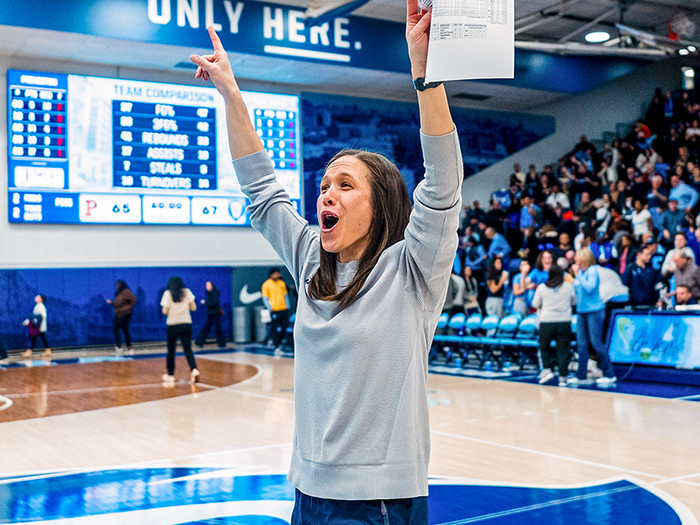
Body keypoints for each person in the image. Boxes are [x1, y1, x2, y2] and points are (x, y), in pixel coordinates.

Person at [190, 3, 461, 521]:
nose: (326, 195)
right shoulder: (310, 258)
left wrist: (425, 74)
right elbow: (262, 189)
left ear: (379, 204)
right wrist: (230, 93)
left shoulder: (413, 271)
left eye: (344, 185)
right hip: (307, 493)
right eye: (323, 186)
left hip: (380, 500)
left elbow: (444, 183)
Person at [571, 248, 617, 387]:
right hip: (582, 311)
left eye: (578, 258)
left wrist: (577, 275)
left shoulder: (592, 271)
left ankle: (610, 373)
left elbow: (589, 287)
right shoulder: (582, 273)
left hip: (594, 311)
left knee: (596, 342)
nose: (576, 261)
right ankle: (581, 373)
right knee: (582, 344)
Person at [532, 264, 576, 387]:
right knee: (563, 350)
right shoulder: (568, 287)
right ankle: (563, 377)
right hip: (564, 322)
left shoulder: (542, 287)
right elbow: (574, 301)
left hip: (547, 321)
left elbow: (535, 304)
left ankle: (547, 369)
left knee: (544, 347)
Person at [160, 276, 199, 384]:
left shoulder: (167, 294)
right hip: (186, 324)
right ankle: (194, 370)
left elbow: (164, 311)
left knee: (171, 351)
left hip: (172, 325)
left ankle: (171, 374)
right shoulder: (187, 292)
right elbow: (194, 307)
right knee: (188, 349)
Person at [261, 268, 291, 350]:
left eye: (278, 273)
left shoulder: (282, 283)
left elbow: (285, 296)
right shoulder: (266, 284)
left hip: (283, 309)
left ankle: (280, 341)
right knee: (274, 328)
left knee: (285, 327)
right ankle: (275, 343)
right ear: (271, 275)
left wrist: (288, 306)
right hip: (274, 310)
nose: (278, 275)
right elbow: (265, 298)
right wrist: (269, 307)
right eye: (276, 273)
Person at [107, 280, 137, 354]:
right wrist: (111, 303)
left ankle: (119, 347)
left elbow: (134, 300)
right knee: (125, 330)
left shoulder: (126, 291)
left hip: (125, 313)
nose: (116, 286)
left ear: (121, 285)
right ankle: (129, 347)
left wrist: (128, 308)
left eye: (118, 285)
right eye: (116, 285)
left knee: (116, 327)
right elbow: (117, 303)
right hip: (119, 313)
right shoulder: (119, 293)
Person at [195, 281, 226, 348]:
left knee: (217, 328)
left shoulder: (215, 292)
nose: (207, 287)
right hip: (210, 313)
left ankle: (221, 343)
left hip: (215, 313)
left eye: (208, 285)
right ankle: (200, 342)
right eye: (206, 286)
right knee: (207, 328)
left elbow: (214, 302)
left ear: (212, 286)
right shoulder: (208, 293)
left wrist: (206, 302)